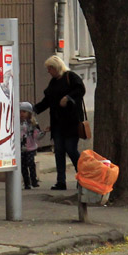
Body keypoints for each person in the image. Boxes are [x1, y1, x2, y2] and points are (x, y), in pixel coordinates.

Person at [31, 55, 86, 190]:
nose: (48, 71)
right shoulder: (53, 82)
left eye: (50, 69)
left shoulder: (70, 77)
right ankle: (61, 181)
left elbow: (80, 90)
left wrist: (67, 98)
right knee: (59, 151)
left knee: (71, 149)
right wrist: (33, 110)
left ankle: (83, 177)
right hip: (57, 123)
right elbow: (47, 101)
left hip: (72, 122)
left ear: (56, 67)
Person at [19, 102, 42, 189]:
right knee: (23, 165)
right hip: (21, 148)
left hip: (30, 147)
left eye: (24, 112)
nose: (21, 114)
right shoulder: (16, 122)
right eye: (20, 112)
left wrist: (42, 133)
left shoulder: (32, 123)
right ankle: (26, 182)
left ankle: (34, 180)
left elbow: (37, 135)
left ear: (29, 113)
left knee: (30, 163)